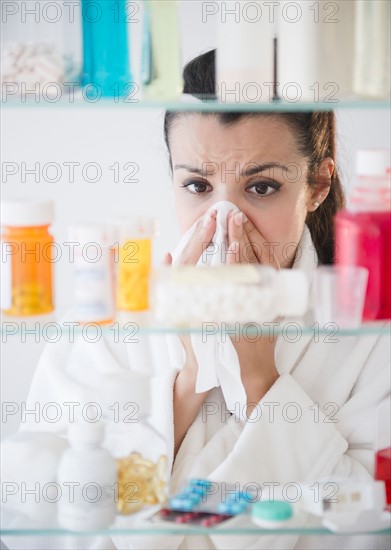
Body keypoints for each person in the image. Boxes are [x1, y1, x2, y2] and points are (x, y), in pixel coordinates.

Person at [4, 51, 390, 550]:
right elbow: (43, 515)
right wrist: (186, 380)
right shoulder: (106, 316)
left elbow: (365, 528)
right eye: (197, 186)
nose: (226, 219)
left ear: (315, 185)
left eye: (262, 186)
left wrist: (260, 380)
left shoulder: (366, 331)